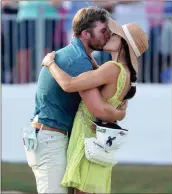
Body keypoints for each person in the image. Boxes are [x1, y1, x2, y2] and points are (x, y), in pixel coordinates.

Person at [23, 7, 126, 194]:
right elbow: (98, 109)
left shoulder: (80, 57)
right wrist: (120, 113)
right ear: (86, 34)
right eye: (103, 31)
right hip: (51, 139)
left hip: (51, 137)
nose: (108, 35)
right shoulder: (77, 60)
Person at [41, 18, 149, 193]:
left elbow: (68, 84)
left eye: (115, 34)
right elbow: (105, 90)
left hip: (87, 139)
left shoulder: (112, 68)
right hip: (100, 144)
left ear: (123, 44)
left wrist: (50, 63)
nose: (109, 35)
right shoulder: (125, 74)